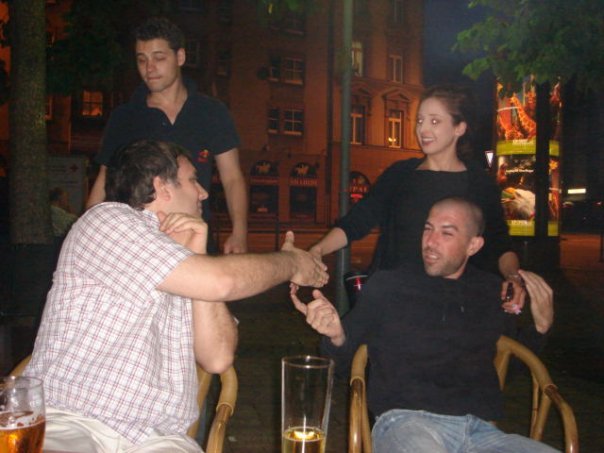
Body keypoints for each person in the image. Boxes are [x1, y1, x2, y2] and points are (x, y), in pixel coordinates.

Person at [25, 140, 328, 453]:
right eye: (193, 180)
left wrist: (198, 255)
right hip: (72, 419)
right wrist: (291, 263)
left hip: (157, 439)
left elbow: (218, 357)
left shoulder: (187, 266)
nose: (203, 193)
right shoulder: (107, 221)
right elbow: (222, 281)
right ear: (162, 187)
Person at [293, 197, 557, 453]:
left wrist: (540, 328)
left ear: (473, 245)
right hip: (407, 423)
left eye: (446, 233)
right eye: (428, 229)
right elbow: (343, 364)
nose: (430, 241)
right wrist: (336, 335)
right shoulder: (390, 285)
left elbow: (509, 367)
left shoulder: (489, 292)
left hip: (481, 432)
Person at [310, 84, 525, 312]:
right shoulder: (400, 174)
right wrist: (317, 251)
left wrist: (513, 277)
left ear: (459, 128)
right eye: (420, 120)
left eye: (435, 121)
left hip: (455, 305)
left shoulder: (479, 182)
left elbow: (498, 241)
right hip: (396, 302)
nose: (423, 129)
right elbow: (358, 220)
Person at [86, 17, 247, 254]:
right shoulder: (125, 116)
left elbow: (232, 177)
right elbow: (104, 180)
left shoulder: (212, 112)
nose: (149, 68)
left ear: (180, 57)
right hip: (138, 241)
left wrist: (240, 232)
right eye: (142, 60)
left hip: (195, 235)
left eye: (159, 58)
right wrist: (88, 231)